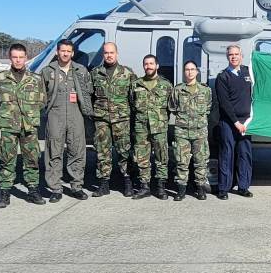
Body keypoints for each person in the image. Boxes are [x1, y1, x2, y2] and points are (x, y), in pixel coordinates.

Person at [0, 43, 46, 208]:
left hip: (29, 126)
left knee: (32, 159)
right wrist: (9, 113)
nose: (18, 60)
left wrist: (28, 113)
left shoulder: (36, 79)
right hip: (9, 126)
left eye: (21, 57)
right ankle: (4, 192)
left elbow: (42, 101)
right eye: (15, 57)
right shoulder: (0, 78)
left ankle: (33, 190)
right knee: (7, 159)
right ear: (10, 58)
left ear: (26, 58)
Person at [40, 39, 92, 203]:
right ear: (57, 52)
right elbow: (42, 94)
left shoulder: (81, 70)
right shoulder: (48, 71)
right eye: (62, 50)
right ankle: (55, 188)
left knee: (77, 150)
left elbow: (89, 90)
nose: (65, 54)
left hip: (76, 114)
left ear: (72, 53)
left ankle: (76, 186)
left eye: (68, 51)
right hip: (55, 114)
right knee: (53, 151)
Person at [89, 42, 136, 197]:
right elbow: (91, 95)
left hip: (121, 119)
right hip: (102, 118)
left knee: (124, 151)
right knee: (102, 151)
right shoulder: (95, 73)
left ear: (117, 54)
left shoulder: (127, 73)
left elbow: (134, 98)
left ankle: (128, 182)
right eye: (106, 53)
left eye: (111, 53)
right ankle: (104, 184)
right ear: (103, 54)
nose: (109, 55)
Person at [214, 44, 253, 200]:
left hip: (246, 122)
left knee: (245, 155)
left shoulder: (248, 73)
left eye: (237, 54)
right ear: (227, 57)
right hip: (229, 122)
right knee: (226, 155)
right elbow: (225, 103)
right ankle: (223, 188)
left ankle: (243, 187)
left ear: (241, 56)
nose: (234, 57)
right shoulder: (222, 77)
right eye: (231, 54)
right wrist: (236, 122)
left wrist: (247, 121)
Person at [169, 60, 212, 201]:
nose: (190, 72)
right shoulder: (178, 90)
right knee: (182, 162)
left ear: (197, 72)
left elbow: (208, 107)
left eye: (192, 69)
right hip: (182, 132)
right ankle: (181, 190)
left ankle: (200, 189)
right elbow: (173, 107)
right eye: (187, 69)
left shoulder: (205, 90)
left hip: (200, 132)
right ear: (184, 72)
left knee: (201, 161)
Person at [131, 54, 172, 200]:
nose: (148, 66)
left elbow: (170, 106)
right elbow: (132, 104)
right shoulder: (136, 84)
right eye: (146, 64)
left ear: (157, 66)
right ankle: (144, 187)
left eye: (151, 64)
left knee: (162, 157)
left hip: (159, 128)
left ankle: (161, 188)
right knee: (142, 157)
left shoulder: (166, 85)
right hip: (141, 127)